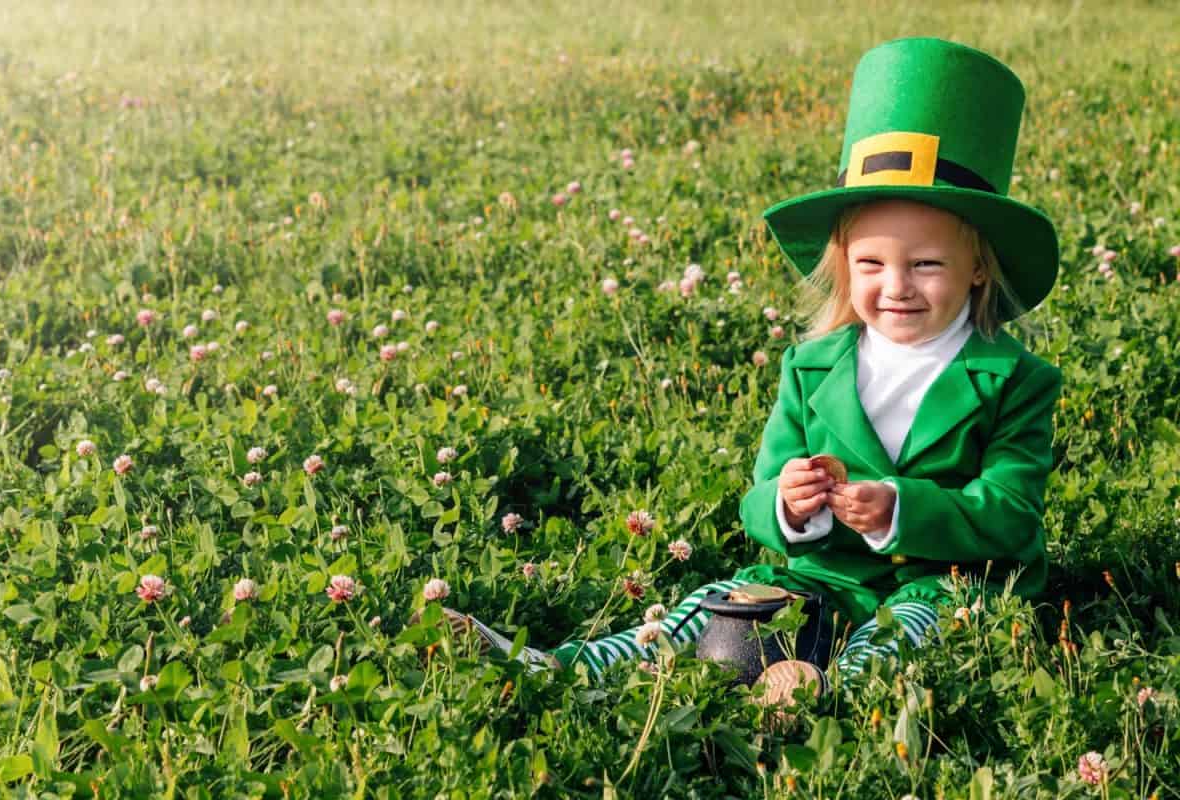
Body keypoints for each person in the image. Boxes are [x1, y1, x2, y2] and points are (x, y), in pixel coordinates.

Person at [414, 37, 1062, 711]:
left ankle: (827, 689)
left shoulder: (1014, 379)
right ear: (843, 265)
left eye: (926, 264)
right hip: (822, 577)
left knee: (914, 629)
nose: (896, 287)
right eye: (871, 264)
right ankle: (561, 666)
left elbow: (1012, 516)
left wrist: (903, 508)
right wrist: (790, 502)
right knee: (707, 608)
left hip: (949, 582)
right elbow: (759, 499)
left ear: (978, 267)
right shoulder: (813, 367)